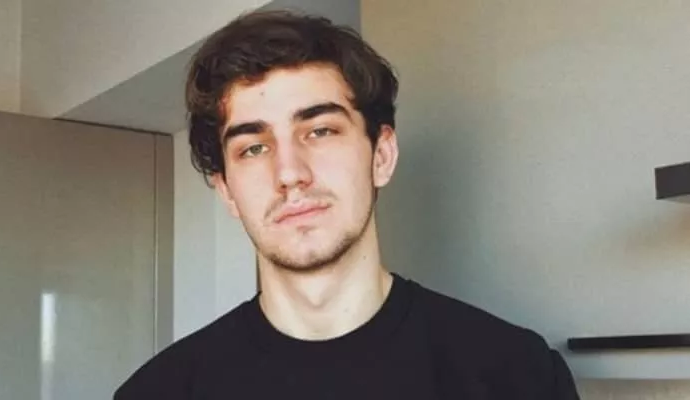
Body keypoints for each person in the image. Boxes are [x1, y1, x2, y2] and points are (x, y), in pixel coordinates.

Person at [114, 9, 580, 400]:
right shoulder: (157, 393)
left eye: (320, 131)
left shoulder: (519, 375)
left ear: (381, 156)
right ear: (227, 190)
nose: (289, 173)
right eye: (253, 147)